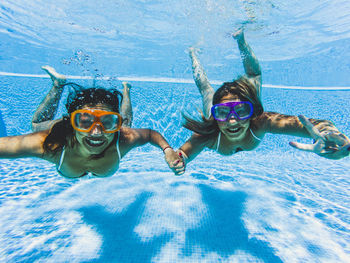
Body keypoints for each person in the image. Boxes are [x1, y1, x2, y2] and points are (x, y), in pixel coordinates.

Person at [177, 29, 350, 167]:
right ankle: (193, 54)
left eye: (241, 111)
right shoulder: (209, 131)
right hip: (215, 118)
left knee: (254, 76)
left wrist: (329, 135)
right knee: (206, 89)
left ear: (251, 112)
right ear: (216, 115)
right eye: (222, 113)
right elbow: (182, 155)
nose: (232, 121)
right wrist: (177, 161)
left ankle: (240, 38)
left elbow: (318, 125)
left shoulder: (261, 121)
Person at [0, 66, 185, 177]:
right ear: (72, 122)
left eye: (108, 121)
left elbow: (151, 134)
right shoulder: (51, 144)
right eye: (85, 121)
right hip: (62, 130)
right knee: (35, 125)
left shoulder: (123, 138)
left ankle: (126, 91)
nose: (96, 132)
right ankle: (58, 85)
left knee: (126, 124)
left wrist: (167, 151)